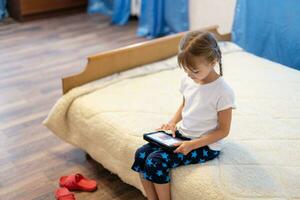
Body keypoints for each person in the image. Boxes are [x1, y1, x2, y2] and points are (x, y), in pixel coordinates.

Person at [131, 31, 236, 200]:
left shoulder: (223, 92)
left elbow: (223, 131)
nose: (189, 75)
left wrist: (193, 145)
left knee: (155, 161)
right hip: (182, 135)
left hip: (205, 145)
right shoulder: (188, 80)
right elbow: (186, 103)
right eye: (186, 70)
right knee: (141, 153)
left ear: (213, 61)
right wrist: (172, 122)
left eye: (194, 70)